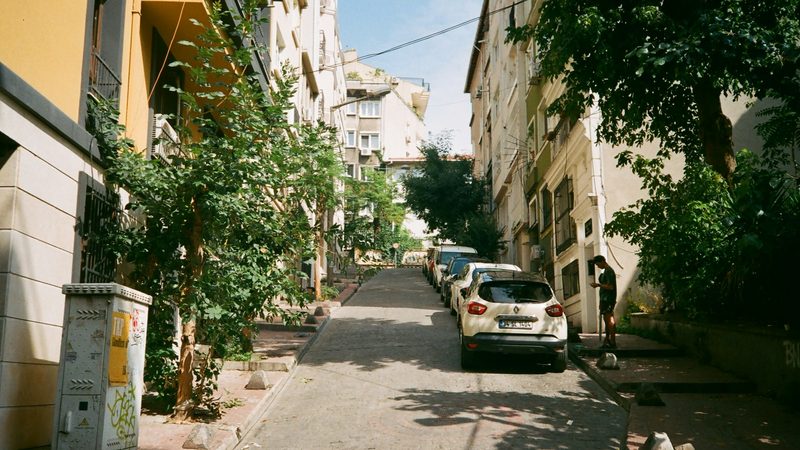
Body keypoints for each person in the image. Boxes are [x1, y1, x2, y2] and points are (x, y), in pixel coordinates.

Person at [590, 255, 617, 348]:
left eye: (597, 264)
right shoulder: (605, 271)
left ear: (602, 261)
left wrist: (598, 285)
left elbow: (610, 287)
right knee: (607, 320)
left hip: (608, 299)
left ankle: (611, 341)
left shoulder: (609, 271)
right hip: (605, 299)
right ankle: (608, 340)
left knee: (609, 320)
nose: (597, 266)